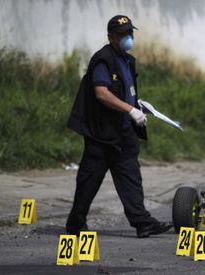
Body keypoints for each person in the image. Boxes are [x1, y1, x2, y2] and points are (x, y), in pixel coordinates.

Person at [66, 15, 172, 238]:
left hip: (123, 130)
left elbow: (125, 90)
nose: (128, 38)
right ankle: (76, 222)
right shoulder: (103, 59)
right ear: (111, 37)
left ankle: (143, 223)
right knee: (89, 179)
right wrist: (130, 110)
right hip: (102, 132)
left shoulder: (127, 60)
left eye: (130, 33)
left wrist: (138, 105)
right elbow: (102, 93)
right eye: (123, 34)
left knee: (131, 176)